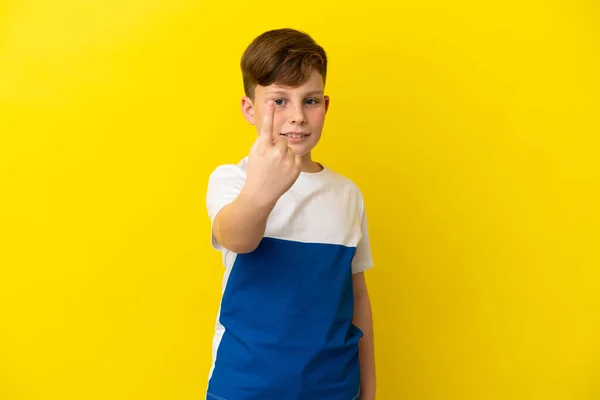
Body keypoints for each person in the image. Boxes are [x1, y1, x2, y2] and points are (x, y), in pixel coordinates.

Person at [205, 28, 376, 400]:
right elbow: (237, 237)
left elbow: (358, 297)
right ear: (250, 109)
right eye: (279, 101)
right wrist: (263, 189)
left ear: (325, 107)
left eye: (310, 101)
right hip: (245, 386)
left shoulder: (347, 195)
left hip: (332, 388)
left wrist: (369, 388)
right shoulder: (233, 180)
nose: (297, 116)